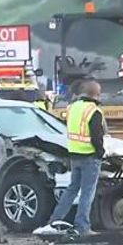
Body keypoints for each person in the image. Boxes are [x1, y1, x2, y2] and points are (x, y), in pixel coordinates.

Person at [33, 80, 106, 236]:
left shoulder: (72, 108)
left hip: (74, 154)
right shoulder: (94, 111)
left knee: (72, 189)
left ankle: (54, 221)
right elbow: (97, 137)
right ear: (96, 94)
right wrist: (101, 153)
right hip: (90, 156)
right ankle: (82, 226)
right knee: (87, 192)